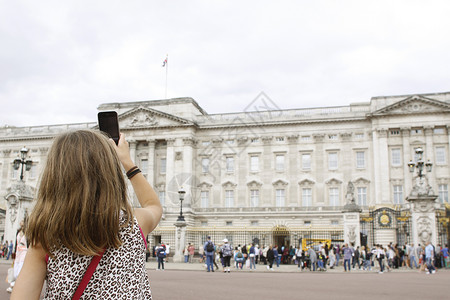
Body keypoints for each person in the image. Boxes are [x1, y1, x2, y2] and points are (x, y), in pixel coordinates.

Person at [11, 130, 163, 299]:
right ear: (110, 174)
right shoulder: (134, 224)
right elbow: (154, 205)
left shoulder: (46, 238)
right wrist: (127, 162)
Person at [7, 221, 28, 293]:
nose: (21, 223)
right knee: (15, 270)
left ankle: (16, 286)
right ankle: (15, 284)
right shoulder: (19, 232)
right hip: (18, 252)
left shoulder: (27, 233)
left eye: (22, 222)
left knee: (19, 270)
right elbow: (16, 243)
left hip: (24, 252)